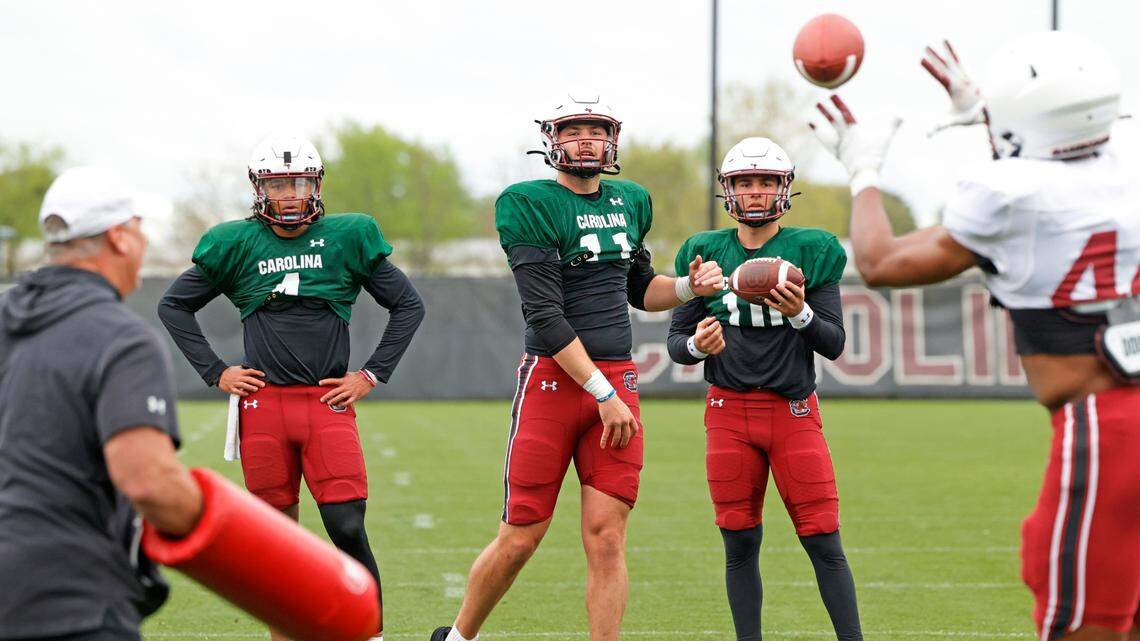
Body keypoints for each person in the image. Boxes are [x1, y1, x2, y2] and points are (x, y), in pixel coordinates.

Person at [811, 31, 1140, 641]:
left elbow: (880, 261)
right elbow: (1063, 154)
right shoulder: (1125, 169)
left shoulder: (1010, 196)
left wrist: (863, 170)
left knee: (1083, 621)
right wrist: (988, 121)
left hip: (1107, 429)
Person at [431, 92, 723, 641]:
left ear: (612, 139)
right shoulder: (527, 202)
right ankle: (460, 636)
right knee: (521, 535)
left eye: (595, 129)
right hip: (553, 383)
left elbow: (640, 289)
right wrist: (598, 390)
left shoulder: (631, 200)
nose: (585, 139)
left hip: (617, 380)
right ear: (552, 140)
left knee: (607, 536)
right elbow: (543, 314)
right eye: (572, 130)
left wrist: (688, 287)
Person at [157, 133, 424, 641]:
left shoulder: (349, 235)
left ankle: (371, 634)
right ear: (260, 190)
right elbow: (173, 305)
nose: (289, 194)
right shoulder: (236, 242)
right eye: (278, 184)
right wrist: (215, 371)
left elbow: (408, 304)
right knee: (276, 544)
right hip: (265, 407)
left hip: (327, 404)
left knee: (347, 528)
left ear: (316, 185)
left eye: (298, 182)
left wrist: (371, 374)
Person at [667, 137, 860, 641]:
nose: (755, 192)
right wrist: (696, 344)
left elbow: (835, 344)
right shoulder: (703, 251)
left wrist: (799, 312)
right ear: (728, 191)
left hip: (792, 413)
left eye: (766, 181)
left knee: (823, 540)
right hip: (727, 415)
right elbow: (674, 344)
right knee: (739, 543)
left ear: (784, 188)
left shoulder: (811, 250)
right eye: (745, 182)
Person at [0, 167, 202, 640]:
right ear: (120, 238)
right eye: (139, 227)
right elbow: (147, 480)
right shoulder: (122, 338)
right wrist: (234, 535)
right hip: (72, 603)